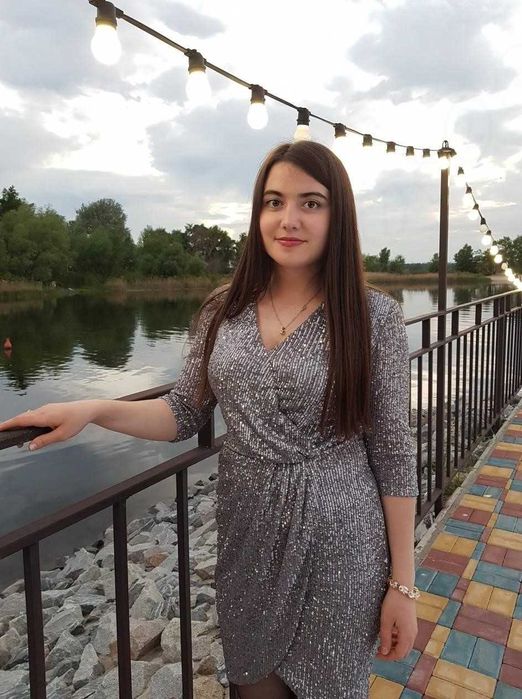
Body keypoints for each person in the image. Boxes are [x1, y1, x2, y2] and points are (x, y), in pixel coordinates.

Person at [0, 140, 419, 699]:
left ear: (338, 215)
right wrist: (93, 409)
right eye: (274, 201)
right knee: (253, 684)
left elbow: (393, 454)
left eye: (311, 203)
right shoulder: (225, 308)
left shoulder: (373, 317)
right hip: (248, 537)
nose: (289, 219)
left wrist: (402, 585)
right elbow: (182, 412)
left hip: (341, 544)